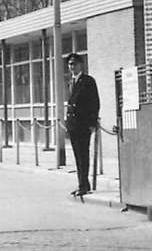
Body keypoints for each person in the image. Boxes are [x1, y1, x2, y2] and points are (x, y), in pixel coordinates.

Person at [65, 52, 99, 196]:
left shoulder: (88, 81)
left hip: (83, 125)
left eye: (74, 64)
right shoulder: (71, 82)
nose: (72, 67)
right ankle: (82, 184)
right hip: (73, 126)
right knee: (77, 156)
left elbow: (95, 103)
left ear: (81, 64)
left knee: (83, 155)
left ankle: (84, 186)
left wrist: (91, 123)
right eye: (70, 64)